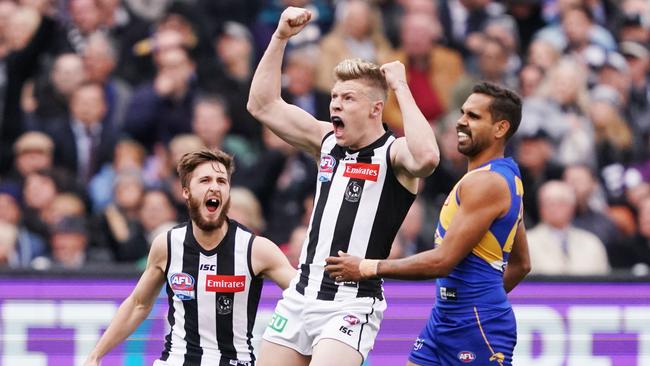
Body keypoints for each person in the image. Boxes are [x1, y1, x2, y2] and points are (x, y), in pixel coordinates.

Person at [246, 7, 439, 366]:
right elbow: (262, 105)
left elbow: (427, 157)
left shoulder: (393, 153)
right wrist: (280, 37)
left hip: (351, 302)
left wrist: (400, 85)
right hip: (300, 295)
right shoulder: (327, 142)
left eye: (348, 98)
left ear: (375, 109)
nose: (336, 103)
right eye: (335, 96)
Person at [326, 82, 531, 365]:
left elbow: (441, 262)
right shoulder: (501, 177)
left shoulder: (488, 183)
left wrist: (366, 267)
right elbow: (522, 264)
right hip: (447, 319)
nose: (460, 121)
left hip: (474, 326)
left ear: (500, 128)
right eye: (462, 113)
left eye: (474, 116)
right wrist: (469, 302)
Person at [83, 149, 296, 366]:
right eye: (205, 180)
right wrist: (96, 355)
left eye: (222, 181)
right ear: (186, 192)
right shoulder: (167, 244)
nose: (214, 186)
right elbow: (138, 304)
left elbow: (304, 295)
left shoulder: (256, 249)